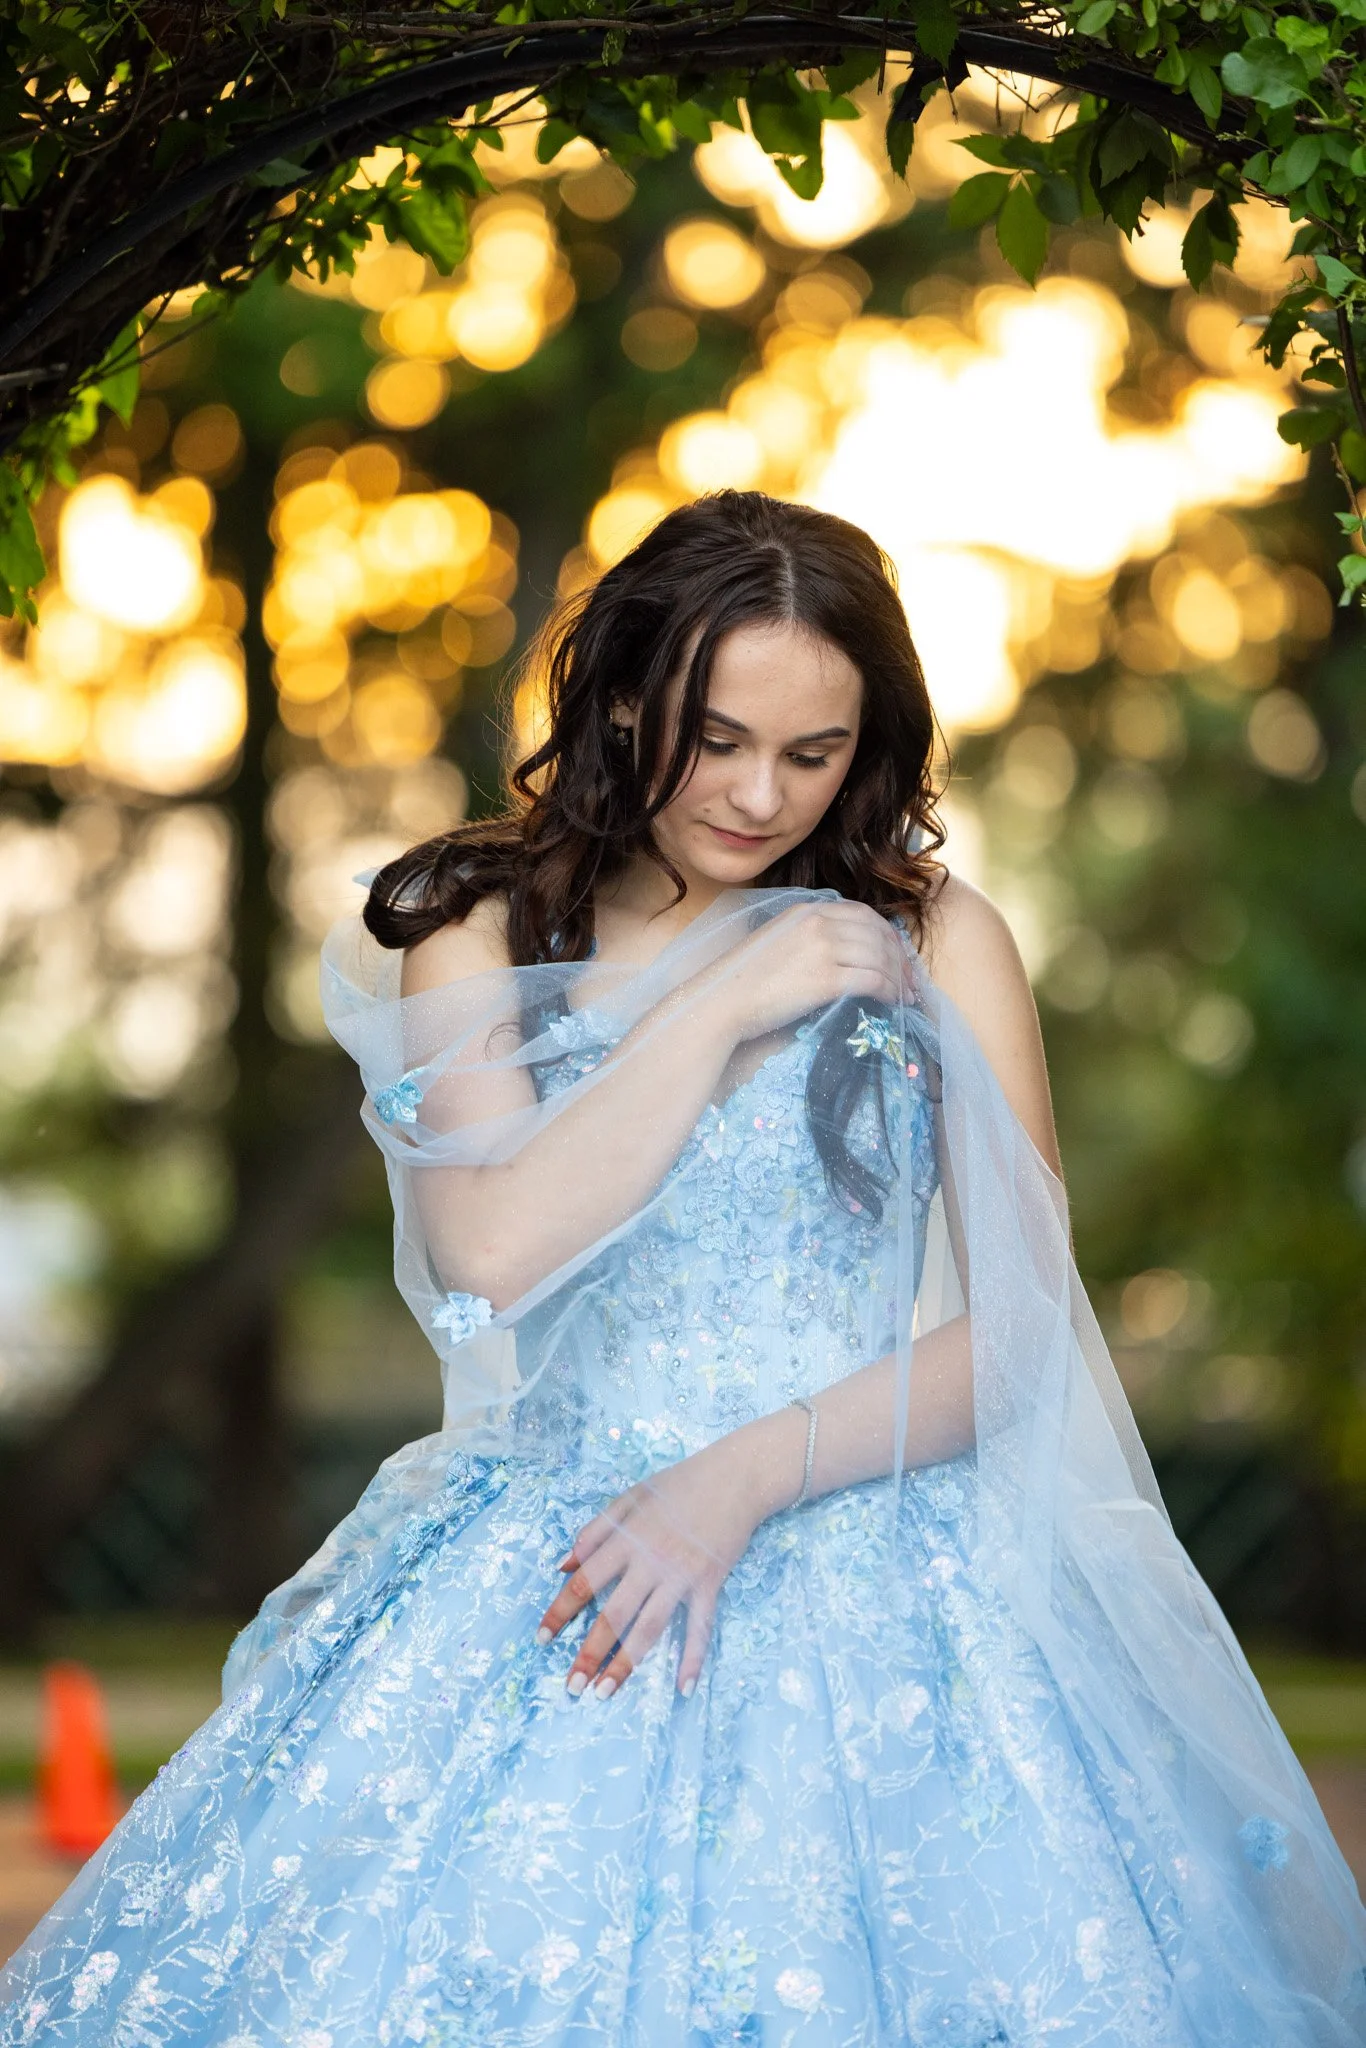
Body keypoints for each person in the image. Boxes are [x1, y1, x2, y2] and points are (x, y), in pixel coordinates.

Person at [3, 490, 1363, 2048]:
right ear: (628, 694)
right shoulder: (478, 923)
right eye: (714, 738)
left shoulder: (936, 935)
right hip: (556, 1557)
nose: (756, 797)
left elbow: (1022, 1336)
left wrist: (737, 1482)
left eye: (813, 754)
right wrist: (724, 999)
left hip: (880, 1557)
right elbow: (491, 1254)